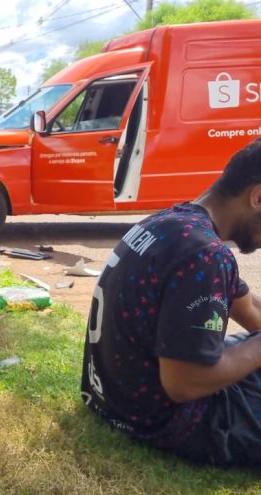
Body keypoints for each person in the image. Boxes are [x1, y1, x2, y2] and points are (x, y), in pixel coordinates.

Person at [81, 137, 261, 466]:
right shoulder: (204, 254)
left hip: (113, 398)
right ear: (258, 196)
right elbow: (185, 383)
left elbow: (248, 308)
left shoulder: (174, 224)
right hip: (169, 420)